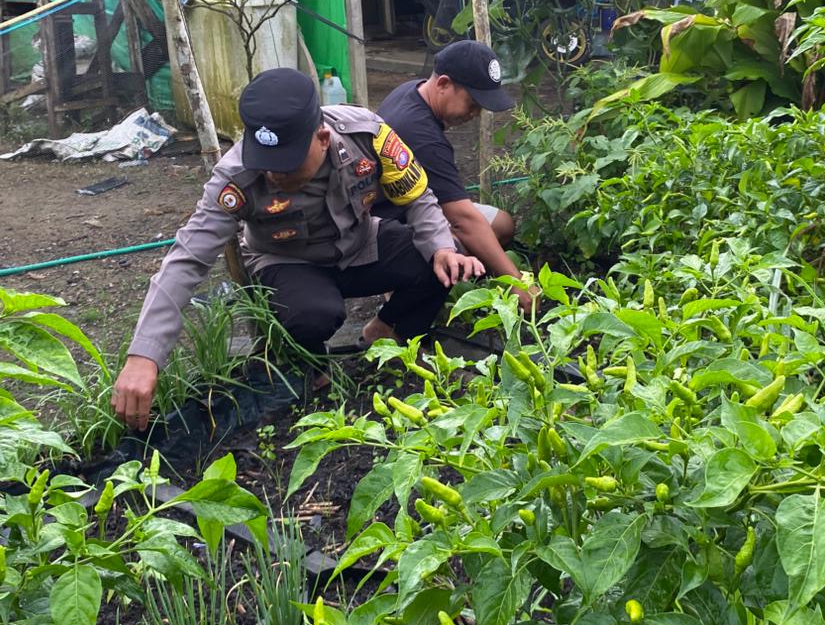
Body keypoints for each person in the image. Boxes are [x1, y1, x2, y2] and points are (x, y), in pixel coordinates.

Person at [111, 68, 484, 430]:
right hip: (287, 262)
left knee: (444, 258)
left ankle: (387, 331)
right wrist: (144, 354)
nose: (275, 175)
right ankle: (310, 366)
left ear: (322, 138)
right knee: (314, 315)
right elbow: (188, 258)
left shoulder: (367, 135)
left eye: (288, 165)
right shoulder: (236, 176)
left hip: (359, 244)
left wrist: (440, 248)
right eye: (267, 164)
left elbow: (418, 198)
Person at [374, 40, 534, 313]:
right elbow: (461, 220)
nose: (476, 113)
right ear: (443, 84)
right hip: (387, 225)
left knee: (501, 224)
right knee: (455, 247)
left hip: (405, 206)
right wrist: (516, 283)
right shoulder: (421, 136)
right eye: (472, 103)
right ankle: (398, 306)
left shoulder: (410, 91)